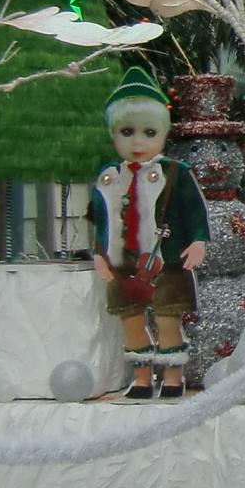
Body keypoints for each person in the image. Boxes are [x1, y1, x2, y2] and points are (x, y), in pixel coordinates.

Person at [88, 69, 210, 400]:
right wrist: (100, 254)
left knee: (168, 318)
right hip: (122, 261)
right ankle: (141, 378)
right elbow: (102, 220)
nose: (138, 142)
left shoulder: (175, 173)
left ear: (163, 134)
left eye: (149, 132)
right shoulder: (109, 177)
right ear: (113, 134)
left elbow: (195, 210)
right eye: (127, 132)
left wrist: (198, 240)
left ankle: (172, 377)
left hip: (166, 258)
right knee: (130, 319)